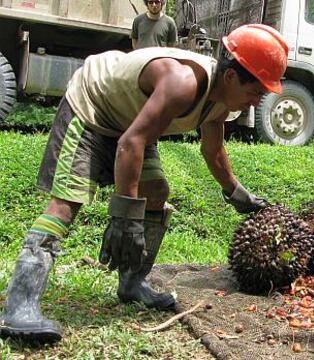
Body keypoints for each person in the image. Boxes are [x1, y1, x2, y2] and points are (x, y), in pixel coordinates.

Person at [0, 24, 288, 343]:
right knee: (67, 203)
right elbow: (129, 144)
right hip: (93, 107)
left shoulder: (223, 101)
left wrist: (236, 193)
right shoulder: (182, 83)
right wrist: (125, 216)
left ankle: (132, 284)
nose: (255, 103)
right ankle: (18, 307)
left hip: (134, 121)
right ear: (232, 76)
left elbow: (212, 149)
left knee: (156, 192)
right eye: (255, 92)